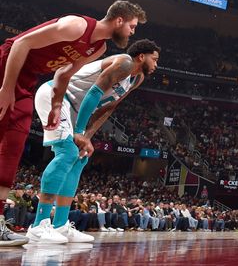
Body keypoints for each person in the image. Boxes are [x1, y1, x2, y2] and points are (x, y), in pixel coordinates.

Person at [0, 0, 146, 246]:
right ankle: (42, 224)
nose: (132, 32)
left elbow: (63, 74)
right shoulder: (76, 26)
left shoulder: (97, 48)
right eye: (132, 26)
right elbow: (20, 43)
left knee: (13, 147)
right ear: (119, 20)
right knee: (60, 150)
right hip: (7, 66)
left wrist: (57, 105)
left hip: (28, 80)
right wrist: (5, 88)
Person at [25, 39, 160, 244]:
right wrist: (79, 131)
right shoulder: (124, 62)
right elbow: (94, 93)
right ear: (142, 57)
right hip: (57, 96)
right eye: (155, 59)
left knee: (79, 158)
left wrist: (87, 136)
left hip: (74, 109)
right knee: (68, 153)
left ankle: (60, 225)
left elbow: (108, 108)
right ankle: (38, 225)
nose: (157, 64)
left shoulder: (137, 78)